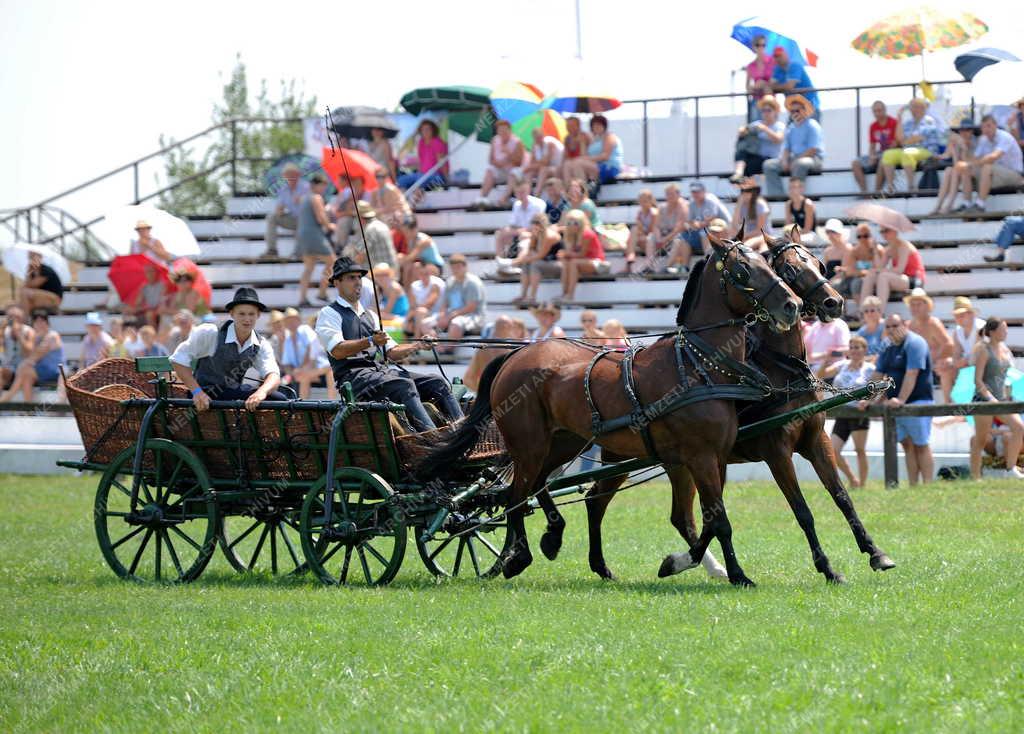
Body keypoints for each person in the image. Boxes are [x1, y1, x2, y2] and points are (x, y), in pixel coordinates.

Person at [314, 257, 461, 432]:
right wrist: (369, 341)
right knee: (403, 384)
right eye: (351, 278)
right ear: (337, 283)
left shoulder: (371, 316)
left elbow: (392, 352)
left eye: (359, 277)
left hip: (380, 374)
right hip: (354, 379)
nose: (357, 282)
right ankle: (432, 438)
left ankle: (463, 432)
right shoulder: (329, 313)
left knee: (437, 382)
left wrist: (418, 346)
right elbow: (337, 350)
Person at [170, 286, 286, 410]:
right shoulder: (210, 332)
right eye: (241, 313)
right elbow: (178, 360)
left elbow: (273, 375)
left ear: (258, 315)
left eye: (251, 314)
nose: (247, 319)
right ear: (232, 314)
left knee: (280, 398)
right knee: (278, 399)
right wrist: (196, 392)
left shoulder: (260, 343)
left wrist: (261, 392)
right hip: (206, 395)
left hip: (232, 395)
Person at [867, 314, 934, 485]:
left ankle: (928, 485)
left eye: (895, 325)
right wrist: (867, 399)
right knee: (907, 445)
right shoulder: (886, 345)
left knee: (921, 445)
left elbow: (912, 373)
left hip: (918, 401)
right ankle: (913, 485)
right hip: (895, 404)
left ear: (905, 324)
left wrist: (901, 399)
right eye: (887, 327)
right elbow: (877, 375)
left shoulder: (915, 343)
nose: (891, 330)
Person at [970, 317, 1024, 479]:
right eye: (1003, 329)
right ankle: (975, 476)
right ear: (992, 332)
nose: (1006, 332)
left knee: (1018, 428)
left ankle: (1010, 469)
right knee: (980, 440)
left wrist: (1006, 393)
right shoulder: (984, 350)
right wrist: (990, 398)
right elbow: (978, 380)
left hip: (1001, 401)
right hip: (983, 401)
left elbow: (1006, 376)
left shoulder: (1004, 350)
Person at [818, 335, 874, 488]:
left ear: (864, 350)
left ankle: (862, 485)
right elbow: (821, 375)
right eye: (852, 347)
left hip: (859, 412)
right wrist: (826, 360)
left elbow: (878, 388)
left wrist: (869, 401)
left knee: (859, 450)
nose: (854, 351)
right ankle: (852, 479)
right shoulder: (842, 365)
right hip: (842, 412)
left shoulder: (870, 369)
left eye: (858, 347)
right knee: (833, 450)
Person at [952, 114, 1024, 212]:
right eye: (983, 126)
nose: (986, 129)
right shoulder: (983, 139)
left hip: (1015, 176)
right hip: (995, 175)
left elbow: (993, 157)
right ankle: (966, 204)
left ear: (995, 125)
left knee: (986, 167)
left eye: (989, 126)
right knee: (966, 170)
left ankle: (980, 205)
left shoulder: (1005, 137)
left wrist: (969, 164)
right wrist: (964, 147)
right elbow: (973, 160)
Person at [763, 95, 824, 198]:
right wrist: (785, 161)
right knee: (769, 165)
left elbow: (812, 150)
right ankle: (777, 197)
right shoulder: (791, 128)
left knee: (801, 163)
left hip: (813, 159)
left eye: (797, 110)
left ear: (805, 110)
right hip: (796, 158)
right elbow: (786, 148)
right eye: (792, 111)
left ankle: (796, 198)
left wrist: (795, 161)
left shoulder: (813, 125)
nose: (795, 113)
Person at [879, 99, 944, 194]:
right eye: (912, 107)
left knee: (907, 152)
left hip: (927, 151)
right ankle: (890, 187)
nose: (913, 110)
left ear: (923, 108)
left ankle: (911, 187)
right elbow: (900, 139)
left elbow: (916, 138)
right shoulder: (909, 122)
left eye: (916, 107)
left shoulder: (929, 120)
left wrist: (905, 141)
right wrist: (899, 118)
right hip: (911, 149)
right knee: (888, 154)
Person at [665, 182, 730, 275]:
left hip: (721, 230)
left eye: (697, 191)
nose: (695, 194)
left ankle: (708, 263)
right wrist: (694, 224)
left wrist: (697, 224)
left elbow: (712, 219)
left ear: (704, 191)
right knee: (684, 238)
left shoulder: (710, 200)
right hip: (705, 231)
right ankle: (685, 267)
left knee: (704, 233)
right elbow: (691, 221)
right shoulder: (692, 203)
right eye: (693, 192)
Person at [0, 311, 64, 404]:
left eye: (42, 321)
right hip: (41, 370)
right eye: (36, 322)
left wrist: (24, 364)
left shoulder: (52, 335)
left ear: (47, 323)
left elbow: (36, 355)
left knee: (24, 369)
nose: (39, 324)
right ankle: (28, 408)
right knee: (26, 377)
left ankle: (7, 398)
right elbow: (28, 355)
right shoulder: (36, 337)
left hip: (55, 370)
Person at [904, 288, 954, 403]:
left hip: (933, 367)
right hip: (915, 367)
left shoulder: (933, 323)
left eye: (918, 304)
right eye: (912, 304)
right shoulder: (908, 325)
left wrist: (932, 360)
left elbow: (949, 345)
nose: (915, 307)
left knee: (945, 363)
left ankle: (948, 405)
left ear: (927, 306)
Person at [294, 173, 336, 307]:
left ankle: (302, 298)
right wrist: (330, 225)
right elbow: (320, 218)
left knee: (309, 268)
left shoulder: (303, 198)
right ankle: (322, 292)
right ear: (315, 185)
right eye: (323, 185)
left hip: (302, 235)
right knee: (333, 262)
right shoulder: (316, 197)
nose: (324, 189)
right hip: (314, 234)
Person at [860, 225, 924, 305]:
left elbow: (899, 270)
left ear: (895, 231)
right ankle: (862, 311)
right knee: (871, 275)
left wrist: (878, 270)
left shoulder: (904, 246)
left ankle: (879, 311)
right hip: (900, 279)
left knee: (883, 276)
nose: (884, 234)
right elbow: (879, 267)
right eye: (882, 231)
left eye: (886, 230)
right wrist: (875, 250)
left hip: (914, 280)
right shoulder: (889, 249)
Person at [927, 118, 978, 214]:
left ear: (972, 131)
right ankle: (939, 205)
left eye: (968, 130)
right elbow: (947, 157)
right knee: (948, 170)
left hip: (972, 172)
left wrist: (963, 149)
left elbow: (968, 162)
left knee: (954, 170)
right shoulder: (957, 141)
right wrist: (954, 149)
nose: (965, 133)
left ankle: (949, 205)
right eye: (962, 130)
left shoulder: (975, 142)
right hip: (962, 171)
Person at [730, 95, 785, 183]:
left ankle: (747, 186)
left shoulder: (779, 126)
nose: (765, 113)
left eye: (769, 110)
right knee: (741, 152)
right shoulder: (756, 124)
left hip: (771, 160)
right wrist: (742, 131)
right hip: (757, 158)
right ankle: (738, 173)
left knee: (751, 165)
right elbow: (743, 135)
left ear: (775, 112)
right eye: (763, 110)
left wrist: (765, 129)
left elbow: (778, 139)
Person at [462, 315, 525, 392]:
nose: (512, 331)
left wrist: (482, 394)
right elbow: (468, 379)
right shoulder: (511, 352)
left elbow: (468, 379)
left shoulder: (482, 350)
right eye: (511, 327)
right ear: (507, 328)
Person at [431, 253, 486, 341]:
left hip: (472, 316)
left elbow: (471, 307)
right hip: (452, 314)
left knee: (456, 323)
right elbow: (444, 304)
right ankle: (431, 346)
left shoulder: (473, 282)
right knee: (426, 323)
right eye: (453, 268)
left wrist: (449, 317)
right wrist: (442, 315)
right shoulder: (450, 282)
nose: (455, 270)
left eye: (458, 267)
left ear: (465, 267)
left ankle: (447, 349)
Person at [557, 210, 608, 302]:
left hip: (599, 264)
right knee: (566, 263)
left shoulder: (587, 233)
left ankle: (570, 295)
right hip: (585, 262)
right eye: (569, 222)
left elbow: (581, 254)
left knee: (573, 263)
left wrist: (567, 254)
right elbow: (573, 253)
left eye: (576, 223)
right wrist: (565, 254)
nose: (572, 225)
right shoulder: (572, 235)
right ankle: (564, 293)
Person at [851, 101, 900, 196]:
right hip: (879, 153)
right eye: (875, 111)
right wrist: (871, 156)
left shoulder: (894, 122)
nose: (877, 113)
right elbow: (872, 145)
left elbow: (897, 143)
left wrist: (878, 156)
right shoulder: (873, 126)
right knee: (855, 163)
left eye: (879, 110)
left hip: (892, 153)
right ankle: (865, 193)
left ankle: (877, 192)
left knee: (883, 159)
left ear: (885, 110)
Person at [263, 163, 310, 259]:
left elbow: (313, 205)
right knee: (271, 217)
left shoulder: (306, 187)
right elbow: (279, 206)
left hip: (307, 220)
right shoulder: (283, 189)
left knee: (302, 219)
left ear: (298, 175)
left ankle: (300, 252)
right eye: (287, 175)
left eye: (292, 175)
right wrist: (279, 210)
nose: (290, 178)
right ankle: (272, 250)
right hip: (293, 219)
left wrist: (303, 200)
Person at [514, 213, 563, 304]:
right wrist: (523, 259)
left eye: (537, 224)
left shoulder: (549, 236)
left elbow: (541, 255)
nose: (535, 227)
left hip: (560, 264)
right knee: (527, 264)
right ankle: (523, 295)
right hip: (547, 262)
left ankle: (532, 297)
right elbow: (531, 250)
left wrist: (521, 260)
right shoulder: (535, 233)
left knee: (535, 264)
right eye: (533, 224)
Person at [563, 115, 623, 186]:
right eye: (594, 125)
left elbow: (605, 156)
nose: (596, 127)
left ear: (604, 126)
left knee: (577, 163)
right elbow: (584, 156)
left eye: (599, 125)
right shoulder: (594, 140)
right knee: (568, 164)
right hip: (596, 166)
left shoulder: (609, 136)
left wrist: (584, 158)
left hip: (609, 167)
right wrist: (582, 142)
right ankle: (569, 190)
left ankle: (582, 191)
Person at [476, 120, 525, 207]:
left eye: (504, 130)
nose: (502, 132)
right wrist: (498, 164)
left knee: (514, 172)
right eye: (500, 130)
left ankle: (504, 198)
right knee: (490, 170)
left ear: (509, 130)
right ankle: (482, 197)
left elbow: (519, 162)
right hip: (500, 170)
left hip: (513, 172)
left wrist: (508, 153)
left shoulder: (517, 142)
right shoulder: (495, 140)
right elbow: (490, 160)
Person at [495, 180, 546, 259]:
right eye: (518, 192)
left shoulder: (538, 204)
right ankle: (501, 262)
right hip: (521, 233)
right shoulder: (517, 204)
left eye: (522, 192)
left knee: (522, 236)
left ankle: (518, 264)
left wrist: (516, 231)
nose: (520, 195)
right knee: (500, 234)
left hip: (537, 234)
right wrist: (507, 230)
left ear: (528, 190)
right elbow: (513, 225)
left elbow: (538, 226)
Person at [838, 223, 885, 308]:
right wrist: (862, 272)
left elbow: (879, 269)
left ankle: (862, 311)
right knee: (837, 285)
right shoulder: (855, 251)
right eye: (859, 237)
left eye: (865, 236)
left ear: (870, 236)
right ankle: (843, 313)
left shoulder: (879, 250)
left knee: (856, 283)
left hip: (874, 279)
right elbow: (849, 271)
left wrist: (874, 252)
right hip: (859, 278)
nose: (862, 239)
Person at [396, 119, 448, 194]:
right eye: (423, 129)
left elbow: (442, 162)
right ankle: (405, 200)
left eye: (428, 129)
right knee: (401, 180)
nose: (425, 132)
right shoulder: (421, 142)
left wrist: (446, 178)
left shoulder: (437, 142)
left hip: (436, 176)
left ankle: (414, 200)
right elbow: (421, 162)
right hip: (423, 175)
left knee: (420, 183)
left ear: (433, 130)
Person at [345, 201, 397, 271]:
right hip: (391, 270)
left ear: (360, 218)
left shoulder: (370, 229)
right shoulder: (381, 225)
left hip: (382, 274)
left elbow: (361, 256)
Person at [770, 47, 820, 119]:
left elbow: (789, 86)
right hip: (794, 108)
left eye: (779, 55)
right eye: (775, 56)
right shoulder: (778, 69)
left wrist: (777, 87)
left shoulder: (795, 66)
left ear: (786, 55)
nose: (778, 58)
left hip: (809, 106)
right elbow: (770, 86)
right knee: (792, 129)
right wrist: (781, 87)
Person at [395, 215, 444, 286]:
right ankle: (406, 291)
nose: (404, 234)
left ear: (414, 229)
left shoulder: (424, 240)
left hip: (435, 266)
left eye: (406, 231)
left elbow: (411, 257)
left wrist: (399, 260)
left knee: (415, 267)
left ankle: (409, 291)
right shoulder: (410, 241)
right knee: (408, 266)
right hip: (424, 264)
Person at [949, 295, 984, 393]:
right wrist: (958, 363)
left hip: (985, 366)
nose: (958, 318)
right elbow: (956, 355)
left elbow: (980, 355)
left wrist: (962, 362)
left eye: (962, 315)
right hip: (970, 366)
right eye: (956, 315)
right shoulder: (957, 331)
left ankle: (962, 403)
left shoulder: (980, 328)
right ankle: (949, 406)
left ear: (971, 314)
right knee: (946, 370)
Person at [405, 259, 446, 338]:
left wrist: (414, 313)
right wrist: (411, 315)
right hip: (417, 313)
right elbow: (412, 303)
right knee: (409, 321)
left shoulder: (436, 283)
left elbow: (430, 303)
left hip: (436, 314)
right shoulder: (414, 285)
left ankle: (416, 340)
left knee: (420, 312)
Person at [327, 176, 368, 250]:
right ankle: (339, 246)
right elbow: (341, 210)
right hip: (350, 217)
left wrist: (350, 211)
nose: (356, 187)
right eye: (354, 185)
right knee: (344, 221)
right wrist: (351, 199)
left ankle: (359, 248)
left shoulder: (367, 194)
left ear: (362, 185)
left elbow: (364, 211)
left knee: (357, 224)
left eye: (358, 184)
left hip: (362, 218)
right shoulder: (349, 194)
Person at [625, 189, 660, 272]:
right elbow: (639, 229)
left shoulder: (655, 213)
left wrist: (641, 233)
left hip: (654, 240)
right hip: (644, 238)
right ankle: (630, 256)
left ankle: (649, 264)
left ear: (650, 200)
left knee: (648, 238)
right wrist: (640, 232)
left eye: (645, 201)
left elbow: (652, 230)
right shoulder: (640, 212)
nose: (643, 203)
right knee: (634, 229)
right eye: (641, 201)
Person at [729, 179, 771, 248]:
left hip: (764, 237)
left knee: (745, 247)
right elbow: (735, 224)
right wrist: (739, 204)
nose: (744, 193)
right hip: (749, 237)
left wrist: (745, 235)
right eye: (742, 191)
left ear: (754, 192)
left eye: (748, 191)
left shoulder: (760, 204)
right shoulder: (743, 206)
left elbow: (760, 231)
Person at [523, 128, 564, 196]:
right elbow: (533, 162)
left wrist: (529, 167)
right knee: (529, 172)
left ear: (543, 135)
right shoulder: (535, 146)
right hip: (547, 168)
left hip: (558, 168)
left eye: (539, 137)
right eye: (536, 138)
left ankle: (537, 193)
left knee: (543, 170)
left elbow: (545, 162)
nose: (538, 139)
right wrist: (530, 167)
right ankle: (527, 193)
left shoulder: (550, 143)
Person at [19, 251, 63, 315]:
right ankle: (29, 322)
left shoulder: (46, 270)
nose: (31, 259)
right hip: (41, 298)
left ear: (40, 257)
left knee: (24, 292)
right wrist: (28, 273)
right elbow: (25, 286)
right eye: (30, 257)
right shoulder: (32, 272)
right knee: (15, 305)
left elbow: (32, 285)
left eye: (33, 256)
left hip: (55, 299)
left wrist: (30, 273)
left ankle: (26, 322)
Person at [1, 306, 34, 390]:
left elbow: (30, 351)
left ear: (22, 319)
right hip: (8, 367)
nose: (13, 320)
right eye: (11, 317)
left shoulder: (29, 331)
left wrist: (19, 335)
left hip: (24, 367)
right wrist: (2, 329)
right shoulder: (5, 331)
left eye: (16, 317)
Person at [744, 35, 775, 122]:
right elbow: (747, 86)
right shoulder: (750, 66)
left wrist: (764, 84)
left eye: (763, 45)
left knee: (771, 127)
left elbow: (776, 80)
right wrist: (754, 87)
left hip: (770, 101)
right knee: (756, 127)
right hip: (756, 100)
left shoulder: (772, 62)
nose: (761, 47)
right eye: (758, 45)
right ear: (754, 47)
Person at [560, 117, 591, 183]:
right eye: (567, 126)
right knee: (565, 165)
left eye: (572, 126)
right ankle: (568, 189)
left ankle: (580, 189)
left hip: (585, 163)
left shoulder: (584, 136)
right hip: (571, 163)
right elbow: (565, 157)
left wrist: (581, 142)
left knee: (571, 165)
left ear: (578, 126)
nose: (569, 128)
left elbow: (583, 155)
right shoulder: (567, 139)